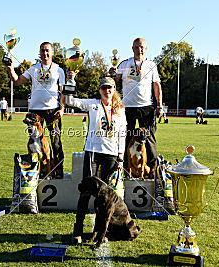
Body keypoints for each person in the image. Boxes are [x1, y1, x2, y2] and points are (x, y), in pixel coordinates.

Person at [69, 76, 126, 245]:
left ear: (114, 89)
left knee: (103, 197)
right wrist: (72, 80)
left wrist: (121, 158)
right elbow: (71, 101)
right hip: (93, 152)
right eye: (103, 88)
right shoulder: (93, 104)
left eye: (109, 88)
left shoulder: (120, 110)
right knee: (85, 193)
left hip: (111, 155)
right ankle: (77, 231)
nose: (107, 91)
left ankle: (97, 232)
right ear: (99, 90)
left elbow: (122, 134)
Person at [5, 42, 65, 179]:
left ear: (52, 52)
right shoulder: (34, 69)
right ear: (39, 52)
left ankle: (58, 169)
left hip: (53, 110)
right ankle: (36, 169)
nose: (45, 53)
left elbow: (63, 93)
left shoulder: (58, 70)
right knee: (34, 143)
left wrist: (62, 109)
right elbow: (17, 81)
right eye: (42, 51)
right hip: (35, 111)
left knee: (56, 142)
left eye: (47, 51)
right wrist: (10, 68)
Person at [110, 37, 163, 173]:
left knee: (149, 137)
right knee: (126, 136)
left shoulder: (151, 65)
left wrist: (159, 105)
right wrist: (113, 74)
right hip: (128, 107)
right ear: (132, 48)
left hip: (147, 106)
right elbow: (115, 82)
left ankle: (152, 169)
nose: (139, 49)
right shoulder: (124, 64)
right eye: (136, 47)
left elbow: (156, 86)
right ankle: (125, 168)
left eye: (142, 47)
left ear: (146, 49)